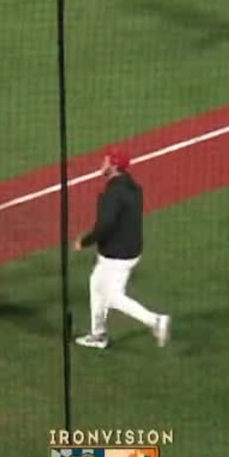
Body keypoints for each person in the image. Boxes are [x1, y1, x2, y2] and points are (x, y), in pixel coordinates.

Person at [75, 147, 170, 350]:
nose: (103, 163)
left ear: (115, 165)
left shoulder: (113, 193)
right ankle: (98, 334)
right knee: (96, 283)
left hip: (117, 255)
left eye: (107, 160)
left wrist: (85, 241)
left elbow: (104, 226)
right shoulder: (133, 186)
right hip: (130, 249)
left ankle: (155, 321)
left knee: (112, 296)